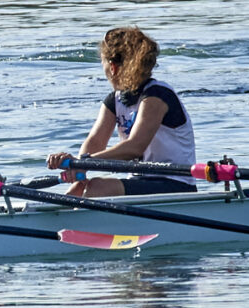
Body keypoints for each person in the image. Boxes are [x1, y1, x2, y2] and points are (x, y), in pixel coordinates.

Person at [49, 27, 198, 198]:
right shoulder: (114, 100)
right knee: (81, 190)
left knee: (99, 187)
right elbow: (94, 143)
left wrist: (83, 163)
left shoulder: (156, 96)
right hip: (141, 180)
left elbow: (134, 147)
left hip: (175, 184)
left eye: (102, 63)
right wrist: (78, 175)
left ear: (112, 67)